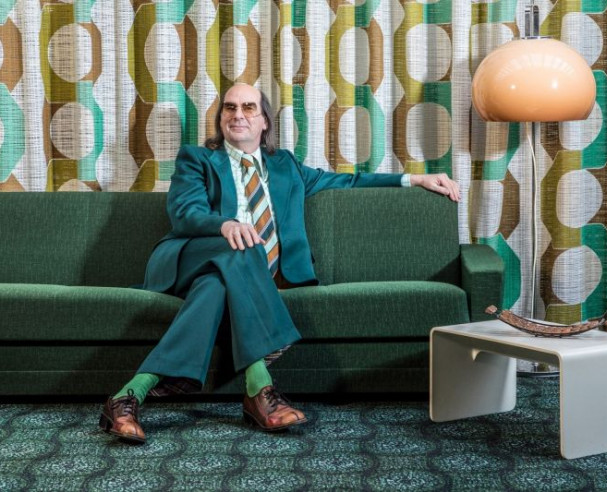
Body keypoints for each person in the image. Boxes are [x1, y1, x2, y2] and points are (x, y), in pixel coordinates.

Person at [98, 83, 460, 443]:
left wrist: (415, 178)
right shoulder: (197, 159)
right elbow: (185, 213)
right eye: (230, 107)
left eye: (249, 107)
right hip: (192, 259)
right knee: (243, 246)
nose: (238, 114)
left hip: (227, 276)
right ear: (221, 118)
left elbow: (348, 181)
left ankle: (128, 396)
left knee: (217, 285)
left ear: (265, 121)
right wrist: (226, 225)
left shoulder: (285, 166)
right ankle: (260, 389)